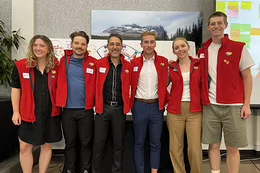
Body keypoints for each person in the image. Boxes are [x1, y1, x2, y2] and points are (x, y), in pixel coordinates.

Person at [198, 11, 255, 173]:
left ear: (226, 25)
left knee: (232, 148)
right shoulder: (203, 50)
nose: (216, 26)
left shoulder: (239, 48)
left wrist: (246, 104)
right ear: (209, 27)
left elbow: (247, 77)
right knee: (213, 145)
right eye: (213, 24)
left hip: (233, 106)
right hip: (210, 106)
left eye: (219, 23)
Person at [11, 35, 62, 173]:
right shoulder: (21, 66)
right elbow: (16, 89)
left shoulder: (56, 66)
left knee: (46, 146)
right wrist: (16, 111)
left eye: (42, 46)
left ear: (48, 49)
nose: (38, 48)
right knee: (24, 146)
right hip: (28, 113)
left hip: (50, 113)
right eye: (35, 45)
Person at [56, 31, 96, 173]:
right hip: (67, 111)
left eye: (83, 44)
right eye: (77, 43)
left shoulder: (93, 63)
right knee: (70, 144)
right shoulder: (63, 61)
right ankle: (70, 169)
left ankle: (86, 170)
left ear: (87, 46)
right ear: (71, 44)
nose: (79, 46)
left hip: (86, 111)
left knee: (86, 143)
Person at [92, 33, 133, 173]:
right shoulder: (99, 64)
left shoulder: (128, 66)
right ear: (108, 46)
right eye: (112, 44)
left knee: (118, 145)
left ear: (122, 47)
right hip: (102, 110)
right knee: (98, 145)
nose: (115, 47)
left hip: (119, 110)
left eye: (117, 44)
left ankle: (116, 171)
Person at [131, 31, 168, 173]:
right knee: (139, 143)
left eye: (151, 42)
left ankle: (154, 171)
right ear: (141, 44)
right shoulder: (133, 63)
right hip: (139, 106)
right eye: (146, 42)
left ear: (155, 44)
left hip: (156, 107)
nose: (149, 45)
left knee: (156, 143)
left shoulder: (163, 62)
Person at [167, 37, 202, 173]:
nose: (180, 49)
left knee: (194, 148)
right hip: (175, 111)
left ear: (188, 47)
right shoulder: (172, 67)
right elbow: (163, 85)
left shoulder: (199, 64)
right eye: (177, 48)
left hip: (195, 111)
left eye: (182, 46)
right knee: (175, 148)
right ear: (174, 51)